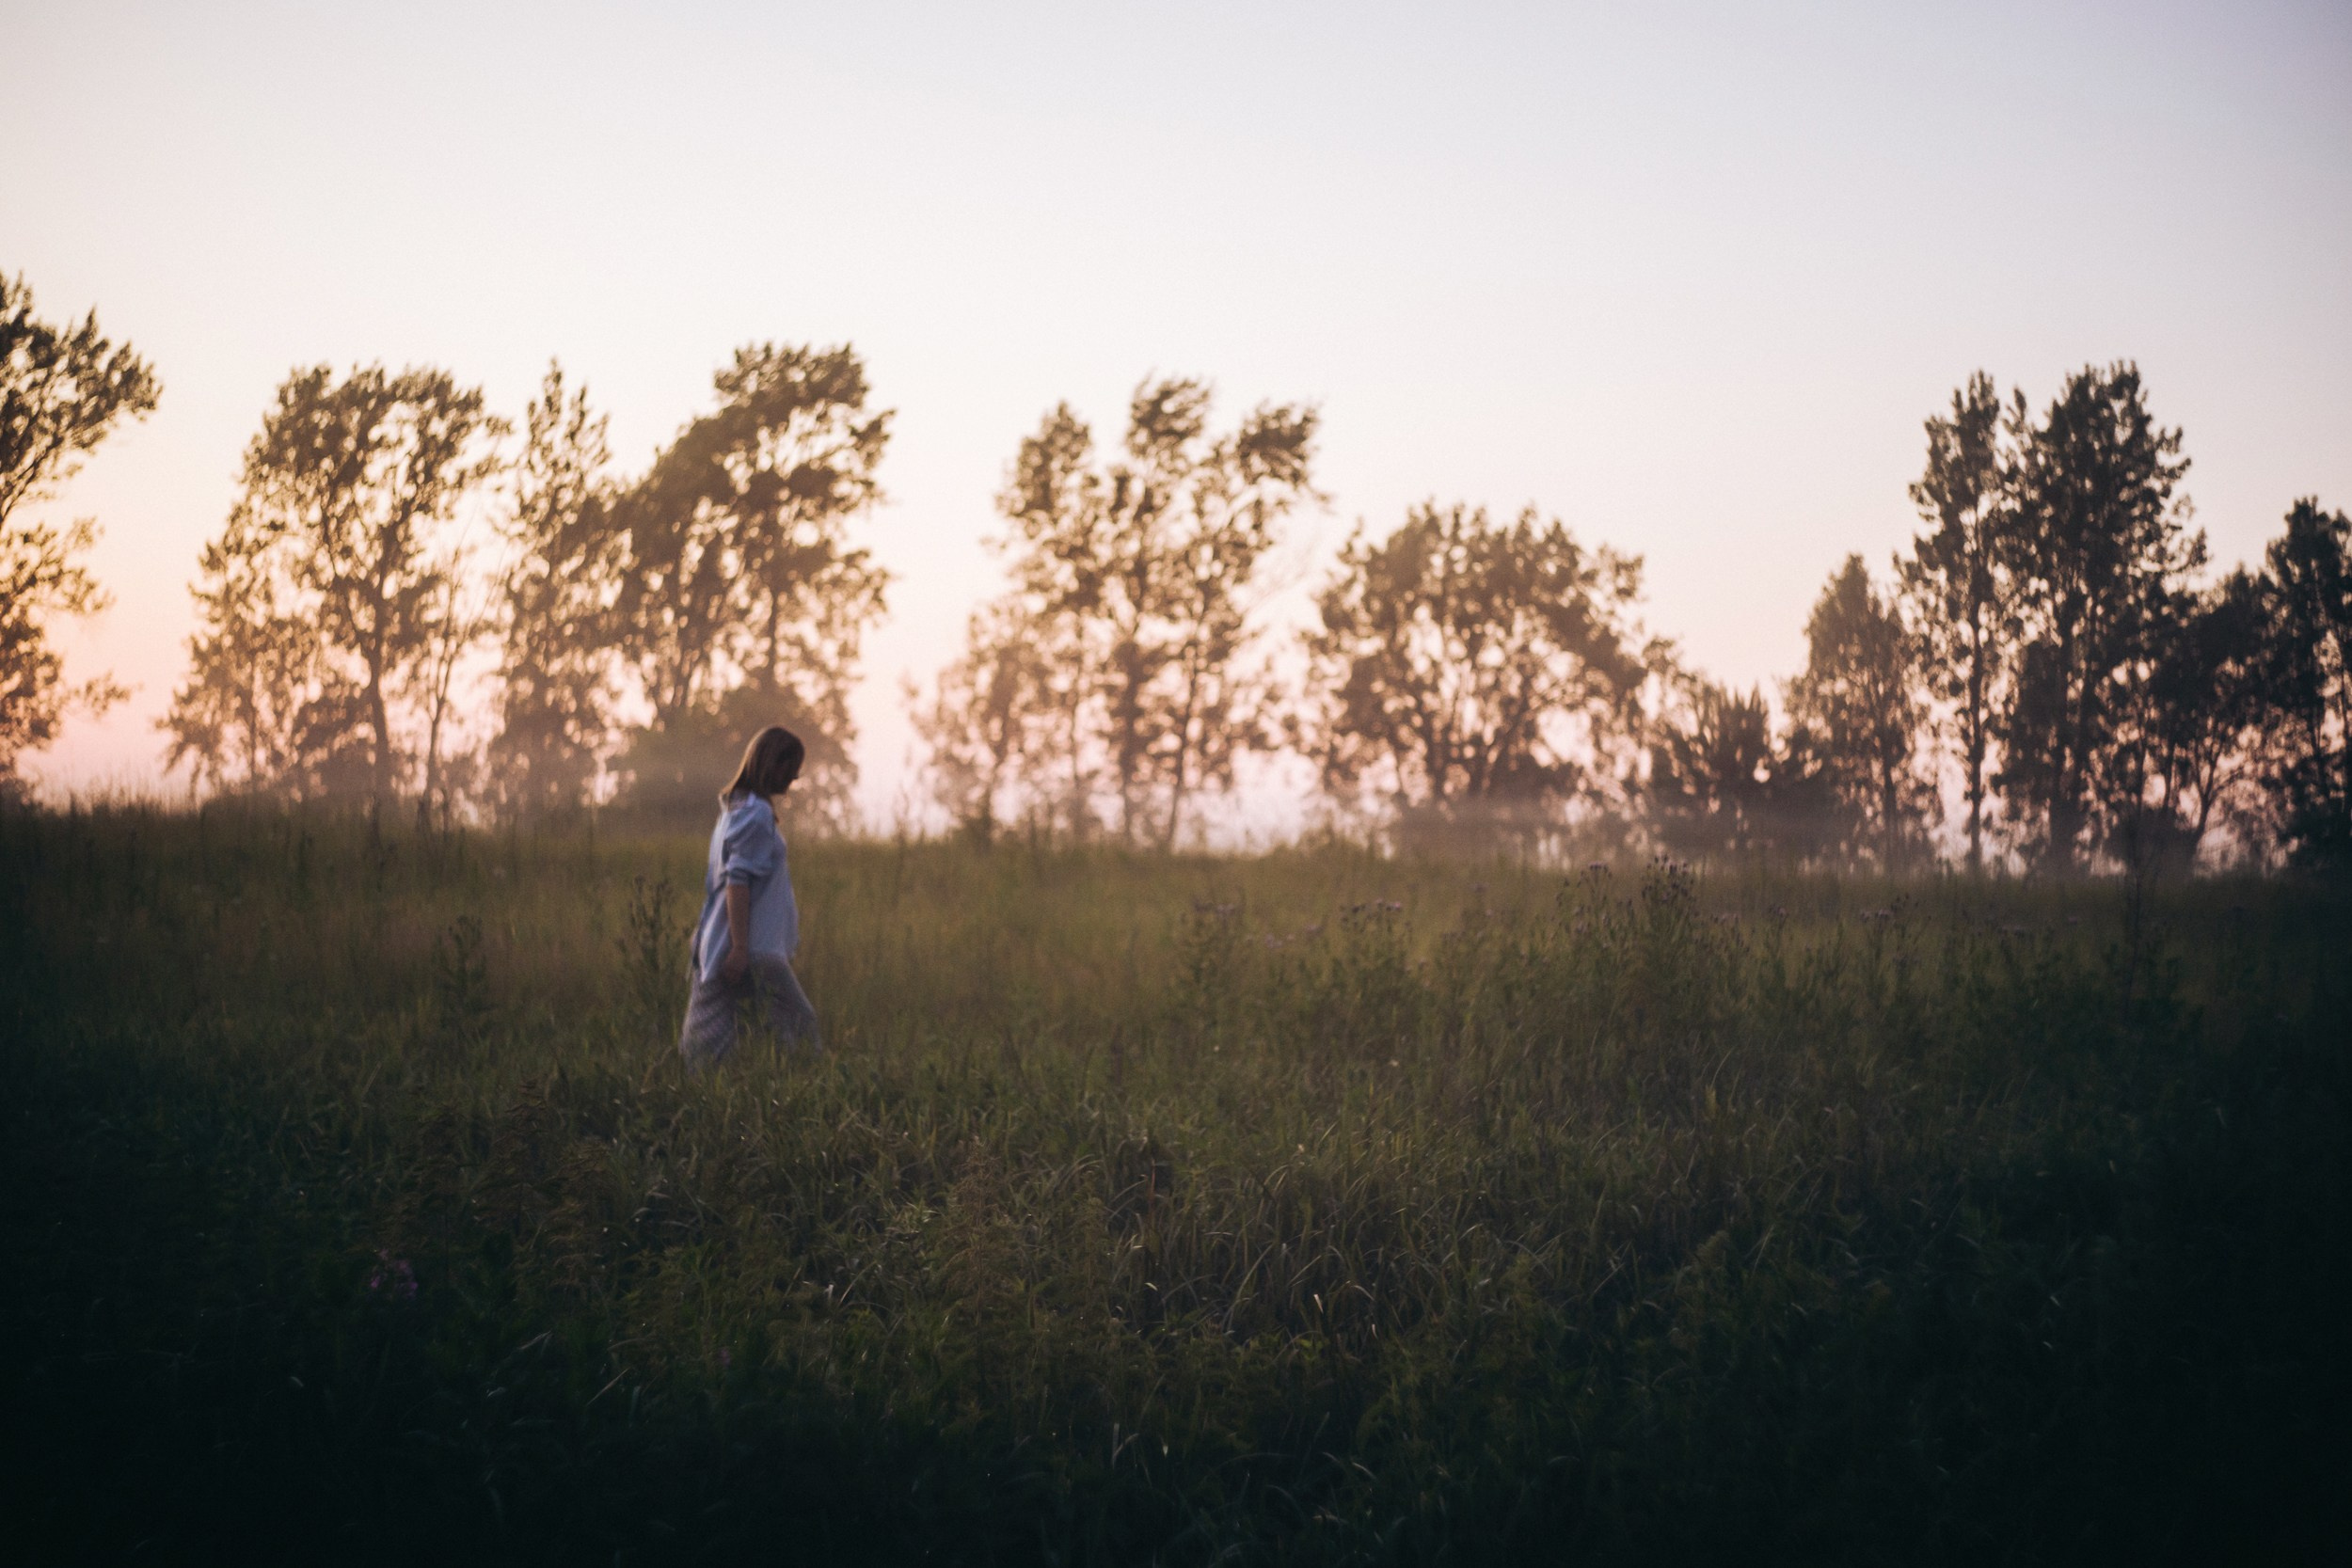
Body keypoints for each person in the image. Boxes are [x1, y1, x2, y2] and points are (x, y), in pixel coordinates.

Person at [679, 725, 820, 1069]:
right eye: (791, 766)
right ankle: (802, 1091)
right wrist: (741, 948)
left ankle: (712, 1091)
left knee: (712, 1033)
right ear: (773, 763)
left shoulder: (736, 809)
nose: (796, 776)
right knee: (801, 1028)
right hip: (754, 949)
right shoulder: (754, 814)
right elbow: (736, 883)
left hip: (727, 944)